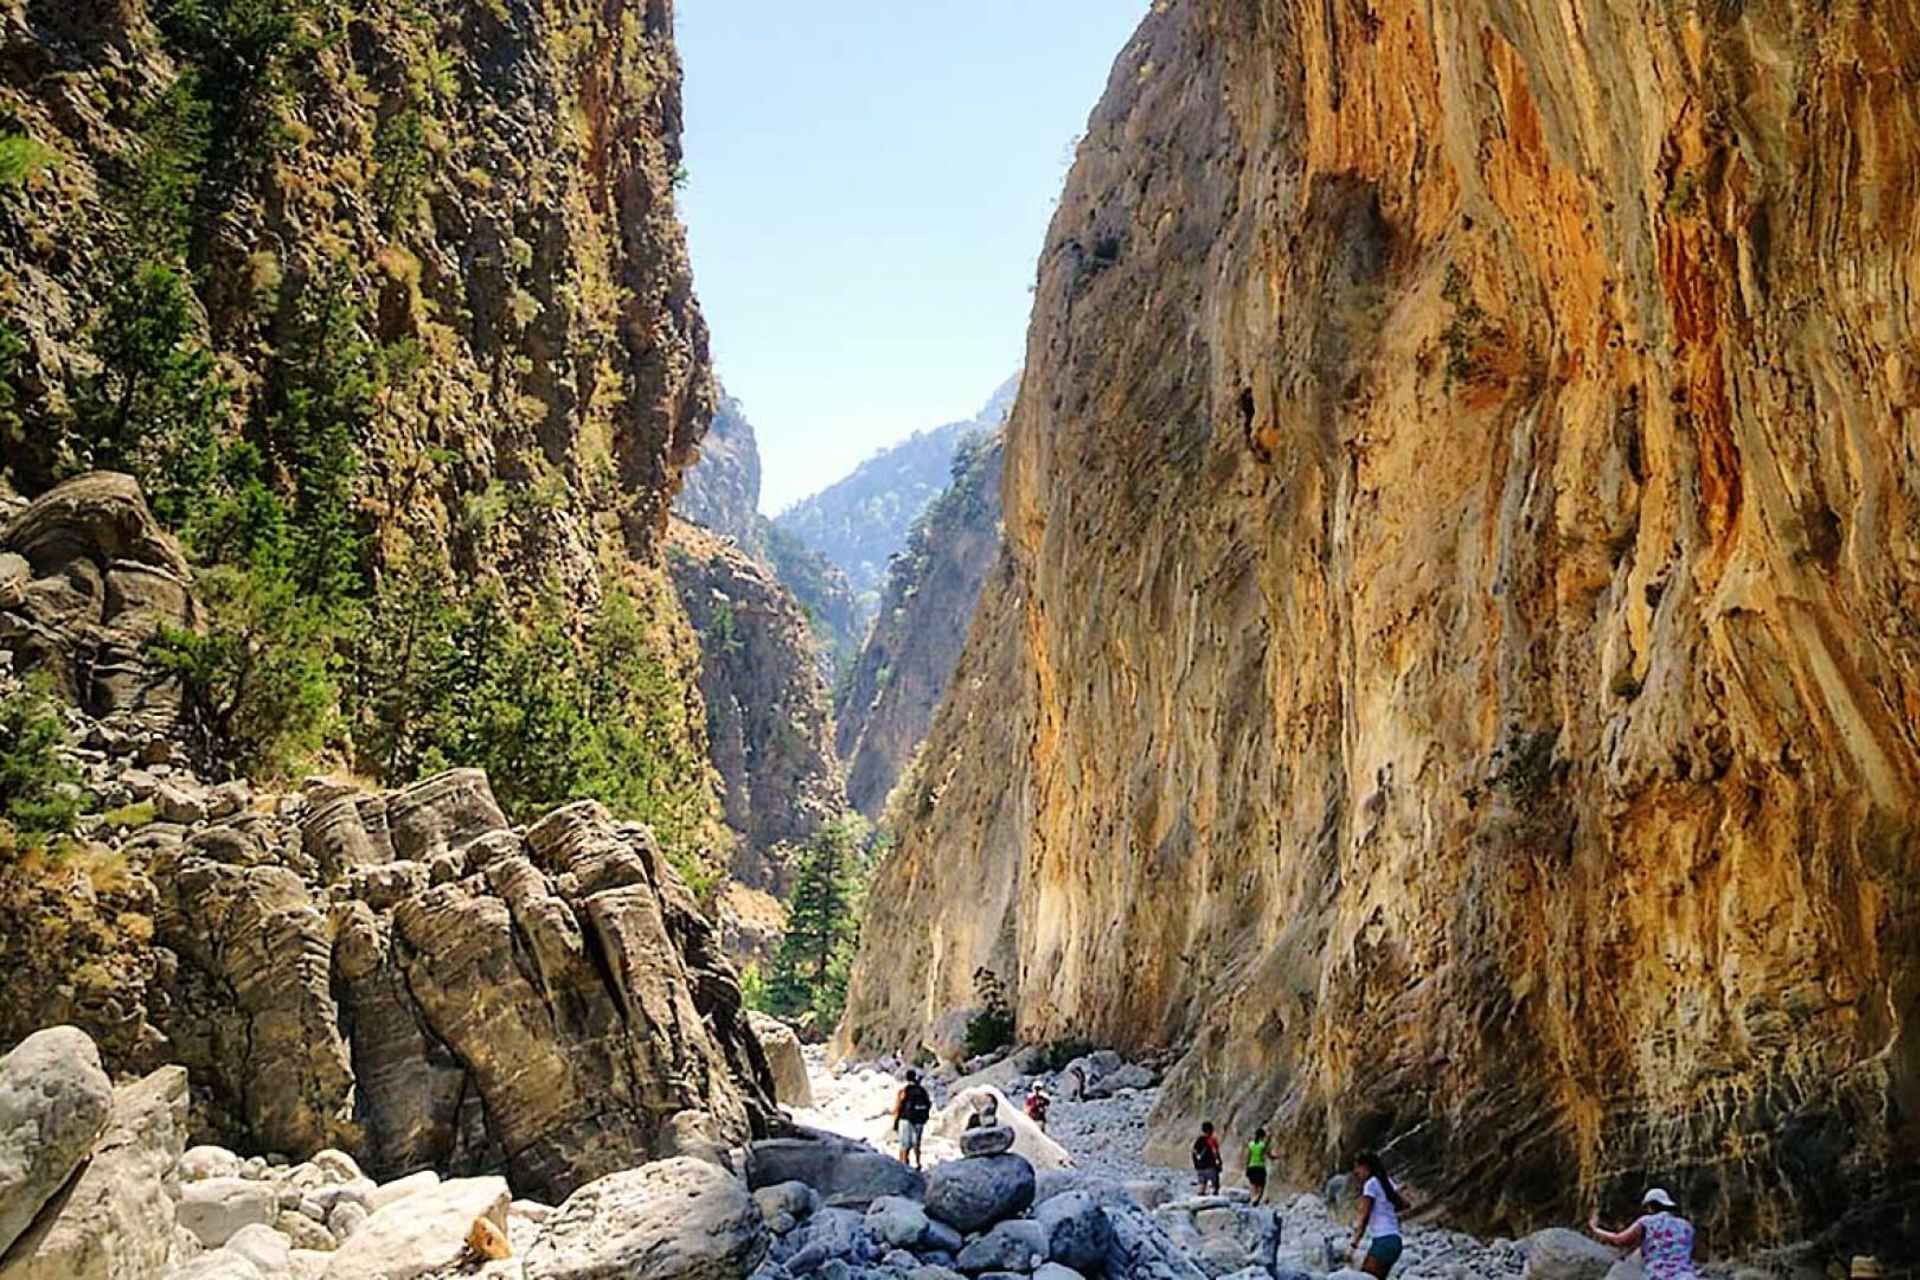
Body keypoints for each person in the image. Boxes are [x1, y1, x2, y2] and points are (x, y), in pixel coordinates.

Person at [1589, 1188, 1698, 1280]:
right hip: (1686, 1275)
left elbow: (1619, 1240)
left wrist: (1595, 1229)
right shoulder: (1686, 1226)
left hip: (1658, 1275)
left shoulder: (1646, 1222)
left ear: (1651, 1206)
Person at [1348, 1150, 1408, 1277]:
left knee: (1365, 1277)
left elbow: (1364, 1218)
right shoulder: (1387, 1182)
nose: (1355, 1172)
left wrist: (1354, 1244)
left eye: (1357, 1167)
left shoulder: (1370, 1185)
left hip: (1383, 1241)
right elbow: (1405, 1204)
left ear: (1365, 1167)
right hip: (1395, 1241)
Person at [892, 1070, 932, 1170]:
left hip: (906, 1119)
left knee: (904, 1144)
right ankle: (918, 1163)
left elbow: (898, 1106)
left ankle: (904, 1165)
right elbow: (928, 1104)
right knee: (916, 1143)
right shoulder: (922, 1090)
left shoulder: (904, 1090)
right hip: (919, 1120)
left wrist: (895, 1121)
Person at [1191, 1121, 1224, 1195]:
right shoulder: (1212, 1140)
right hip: (1210, 1167)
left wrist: (1196, 1164)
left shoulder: (1199, 1140)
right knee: (1215, 1185)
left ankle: (1201, 1198)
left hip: (1200, 1167)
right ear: (1211, 1130)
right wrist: (1219, 1164)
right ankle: (1214, 1197)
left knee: (1202, 1184)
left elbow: (1194, 1153)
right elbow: (1216, 1153)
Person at [1245, 1127, 1271, 1205]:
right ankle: (1257, 1199)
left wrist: (1246, 1167)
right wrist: (1276, 1157)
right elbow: (1269, 1155)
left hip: (1251, 1167)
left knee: (1253, 1185)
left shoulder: (1251, 1144)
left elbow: (1248, 1157)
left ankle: (1253, 1199)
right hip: (1260, 1167)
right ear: (1263, 1136)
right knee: (1261, 1185)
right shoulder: (1263, 1145)